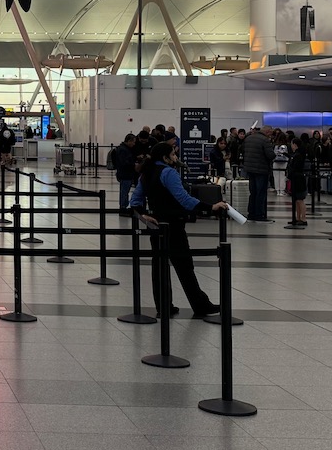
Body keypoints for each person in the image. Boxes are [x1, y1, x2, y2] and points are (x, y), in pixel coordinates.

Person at [128, 141, 224, 319]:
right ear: (165, 157)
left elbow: (135, 200)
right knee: (184, 266)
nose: (175, 158)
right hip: (174, 225)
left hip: (156, 225)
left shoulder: (146, 173)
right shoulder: (168, 172)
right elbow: (184, 200)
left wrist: (143, 215)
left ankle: (164, 306)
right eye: (173, 154)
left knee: (159, 266)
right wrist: (211, 207)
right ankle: (200, 305)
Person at [242, 126, 273, 222]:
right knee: (261, 193)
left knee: (253, 192)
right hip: (261, 170)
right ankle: (259, 214)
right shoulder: (265, 140)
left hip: (250, 169)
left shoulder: (248, 138)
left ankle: (251, 213)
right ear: (267, 132)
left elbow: (243, 151)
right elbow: (270, 155)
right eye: (270, 133)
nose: (271, 135)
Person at [284, 136, 310, 229]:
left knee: (300, 200)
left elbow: (295, 167)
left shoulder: (298, 155)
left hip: (298, 179)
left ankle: (303, 218)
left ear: (295, 145)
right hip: (296, 178)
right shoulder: (296, 154)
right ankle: (298, 217)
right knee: (296, 200)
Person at [113, 134, 138, 217]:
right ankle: (123, 207)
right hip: (125, 173)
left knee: (125, 191)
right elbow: (124, 163)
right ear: (129, 141)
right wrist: (133, 165)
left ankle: (124, 206)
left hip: (125, 173)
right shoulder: (123, 150)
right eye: (133, 142)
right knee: (124, 191)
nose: (134, 144)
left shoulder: (124, 149)